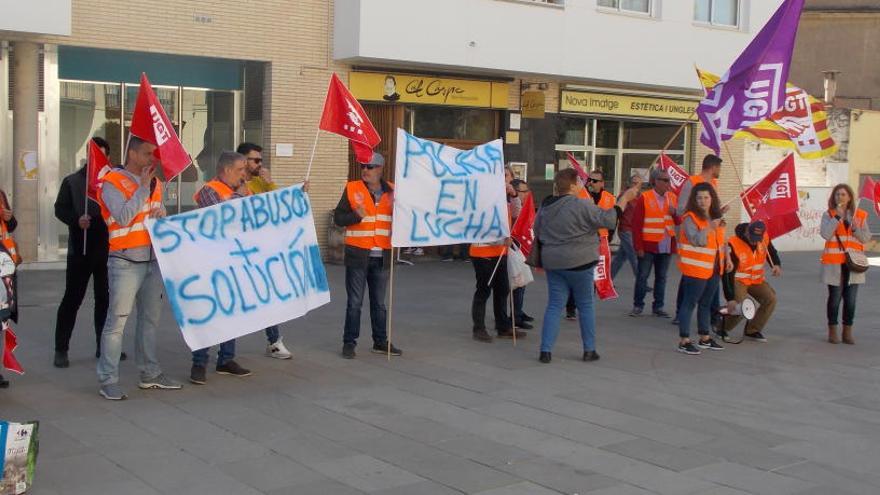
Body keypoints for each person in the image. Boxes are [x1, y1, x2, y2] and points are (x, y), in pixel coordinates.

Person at [95, 136, 182, 400]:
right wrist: (142, 188)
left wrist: (160, 215)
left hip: (152, 261)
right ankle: (108, 380)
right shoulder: (112, 181)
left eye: (153, 154)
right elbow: (122, 216)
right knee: (116, 323)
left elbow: (158, 212)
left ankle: (150, 374)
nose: (152, 159)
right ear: (132, 154)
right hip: (124, 262)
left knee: (149, 321)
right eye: (147, 153)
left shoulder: (154, 183)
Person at [535, 168, 638, 363]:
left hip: (553, 262)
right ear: (573, 186)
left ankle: (545, 350)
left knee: (555, 305)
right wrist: (623, 200)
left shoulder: (546, 206)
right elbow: (608, 220)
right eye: (580, 182)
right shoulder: (582, 205)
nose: (584, 185)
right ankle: (589, 350)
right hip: (580, 261)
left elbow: (537, 229)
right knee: (586, 305)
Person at [189, 152, 255, 384]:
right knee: (209, 313)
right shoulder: (210, 190)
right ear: (226, 170)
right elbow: (220, 220)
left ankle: (226, 358)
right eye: (240, 170)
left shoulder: (243, 191)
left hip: (235, 260)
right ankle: (199, 362)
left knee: (232, 311)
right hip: (212, 263)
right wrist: (240, 198)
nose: (244, 175)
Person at [333, 152, 402, 359]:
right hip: (358, 255)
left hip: (382, 255)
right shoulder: (352, 188)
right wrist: (356, 215)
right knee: (354, 302)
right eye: (363, 166)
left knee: (379, 304)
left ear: (380, 169)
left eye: (370, 166)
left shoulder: (393, 191)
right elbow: (338, 218)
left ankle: (380, 341)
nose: (365, 170)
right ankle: (349, 343)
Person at [52, 137, 114, 368]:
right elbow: (60, 209)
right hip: (81, 249)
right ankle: (61, 349)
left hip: (107, 250)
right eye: (96, 154)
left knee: (105, 300)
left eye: (104, 155)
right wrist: (76, 220)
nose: (100, 159)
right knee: (72, 299)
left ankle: (104, 346)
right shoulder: (73, 182)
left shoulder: (113, 182)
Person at [235, 142, 293, 360]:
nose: (260, 164)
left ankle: (274, 342)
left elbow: (276, 207)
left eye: (261, 160)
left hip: (259, 250)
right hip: (237, 251)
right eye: (255, 160)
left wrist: (269, 184)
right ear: (242, 161)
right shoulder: (232, 181)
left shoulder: (262, 183)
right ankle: (224, 353)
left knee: (266, 296)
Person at [673, 154, 727, 326]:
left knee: (711, 283)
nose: (720, 171)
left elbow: (713, 210)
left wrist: (719, 212)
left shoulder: (714, 184)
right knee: (690, 282)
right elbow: (681, 209)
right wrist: (703, 218)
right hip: (695, 239)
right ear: (713, 167)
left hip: (712, 243)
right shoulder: (692, 182)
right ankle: (681, 315)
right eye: (719, 168)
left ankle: (711, 318)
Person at [676, 182, 726, 355]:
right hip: (695, 268)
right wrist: (709, 227)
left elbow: (720, 242)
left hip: (713, 267)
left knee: (706, 303)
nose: (703, 201)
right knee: (689, 303)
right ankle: (684, 340)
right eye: (699, 198)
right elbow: (696, 239)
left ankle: (704, 337)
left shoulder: (714, 217)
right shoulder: (690, 217)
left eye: (706, 197)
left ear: (712, 199)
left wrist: (726, 260)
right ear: (693, 200)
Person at [820, 184, 871, 345]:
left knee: (851, 300)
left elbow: (866, 238)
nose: (840, 197)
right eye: (837, 195)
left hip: (854, 263)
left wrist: (856, 229)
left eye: (843, 194)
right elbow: (826, 234)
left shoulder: (859, 215)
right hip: (835, 263)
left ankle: (847, 330)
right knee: (835, 298)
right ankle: (832, 330)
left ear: (849, 197)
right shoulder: (828, 215)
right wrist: (837, 217)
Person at [718, 221, 780, 343]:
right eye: (752, 238)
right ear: (747, 232)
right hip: (738, 280)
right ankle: (721, 327)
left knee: (771, 299)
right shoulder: (733, 244)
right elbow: (727, 275)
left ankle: (752, 330)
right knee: (741, 306)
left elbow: (771, 252)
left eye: (758, 238)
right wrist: (730, 298)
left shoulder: (764, 238)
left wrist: (777, 264)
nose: (755, 241)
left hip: (756, 279)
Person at [567, 169, 615, 319]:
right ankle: (571, 306)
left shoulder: (609, 198)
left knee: (595, 275)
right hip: (582, 241)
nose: (591, 183)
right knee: (579, 274)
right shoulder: (581, 196)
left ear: (602, 183)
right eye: (590, 180)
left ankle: (586, 306)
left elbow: (613, 218)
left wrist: (610, 236)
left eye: (595, 181)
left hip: (601, 240)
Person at [631, 169, 676, 318]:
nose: (667, 183)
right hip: (648, 244)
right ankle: (638, 305)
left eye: (668, 180)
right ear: (655, 181)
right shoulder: (645, 197)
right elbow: (636, 224)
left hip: (666, 243)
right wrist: (638, 246)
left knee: (661, 277)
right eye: (664, 180)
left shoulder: (672, 198)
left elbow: (679, 220)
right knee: (643, 276)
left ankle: (658, 306)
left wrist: (675, 213)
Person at [510, 178, 534, 327]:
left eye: (527, 191)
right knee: (518, 281)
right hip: (512, 248)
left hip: (521, 248)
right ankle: (515, 317)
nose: (527, 194)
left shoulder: (526, 206)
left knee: (522, 281)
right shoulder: (513, 206)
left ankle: (518, 311)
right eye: (524, 191)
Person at [611, 174, 644, 281]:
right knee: (634, 255)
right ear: (629, 183)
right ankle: (641, 281)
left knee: (620, 258)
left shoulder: (641, 197)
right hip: (625, 229)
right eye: (633, 182)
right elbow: (619, 210)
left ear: (641, 185)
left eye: (637, 183)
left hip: (634, 230)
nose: (635, 184)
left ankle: (608, 280)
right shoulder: (624, 196)